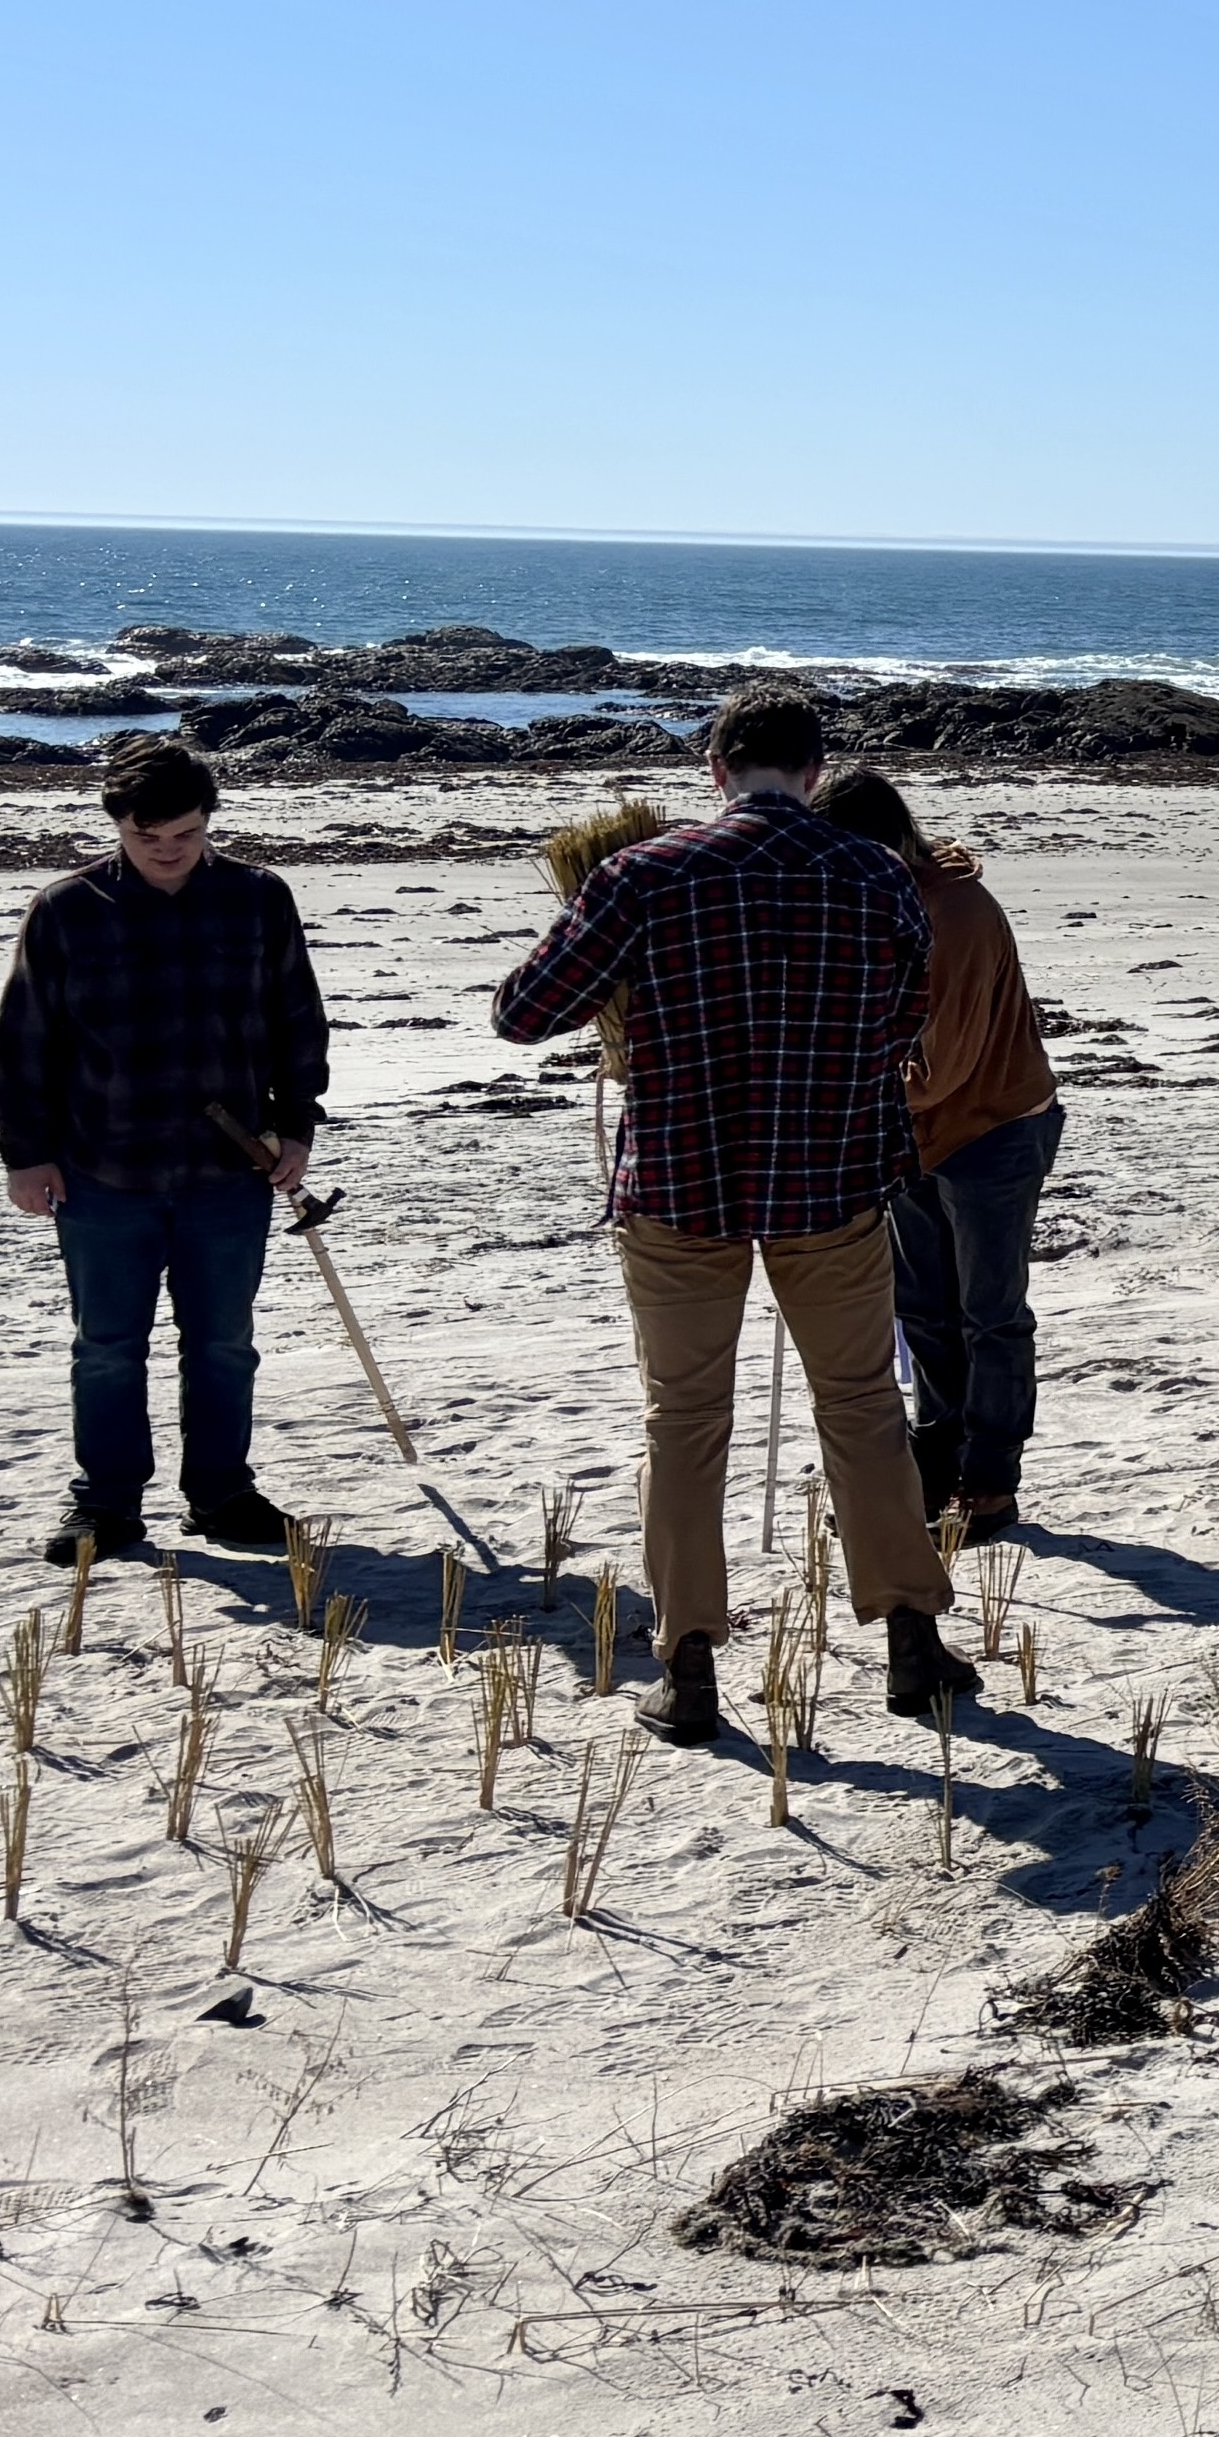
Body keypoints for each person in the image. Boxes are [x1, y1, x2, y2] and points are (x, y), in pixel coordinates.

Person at [496, 691, 967, 1748]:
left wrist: (631, 1009)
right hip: (829, 1178)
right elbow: (906, 1015)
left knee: (684, 1419)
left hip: (682, 1181)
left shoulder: (642, 874)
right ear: (814, 771)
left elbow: (523, 1012)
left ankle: (689, 1664)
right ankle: (910, 1638)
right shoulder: (875, 873)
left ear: (716, 769)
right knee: (862, 1407)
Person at [0, 736, 331, 1566]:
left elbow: (297, 1019)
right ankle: (105, 1503)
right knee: (107, 1346)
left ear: (209, 819)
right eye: (148, 836)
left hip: (230, 1171)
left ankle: (222, 1494)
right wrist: (23, 1153)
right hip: (103, 1169)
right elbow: (23, 1038)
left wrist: (298, 1127)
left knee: (223, 1343)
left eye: (185, 833)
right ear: (118, 825)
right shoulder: (66, 908)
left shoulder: (258, 897)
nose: (168, 850)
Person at [815, 771, 1063, 1548]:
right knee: (921, 1305)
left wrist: (843, 1093)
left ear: (882, 843)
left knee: (990, 1312)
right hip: (912, 1133)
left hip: (994, 1130)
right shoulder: (874, 901)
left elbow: (940, 1066)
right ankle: (936, 1457)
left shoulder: (955, 912)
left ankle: (989, 1478)